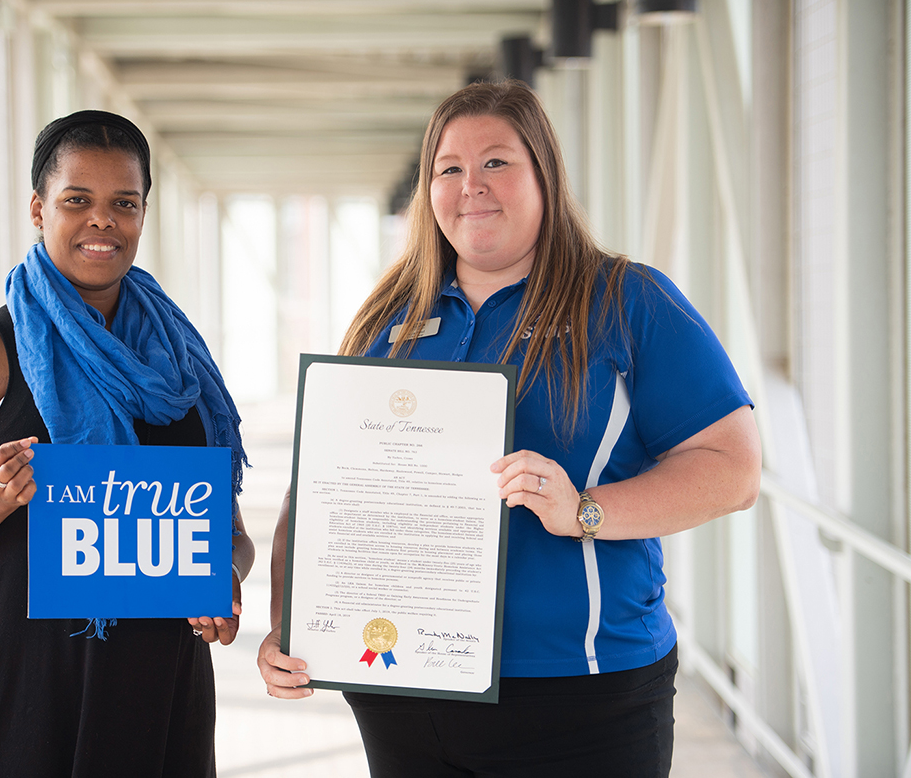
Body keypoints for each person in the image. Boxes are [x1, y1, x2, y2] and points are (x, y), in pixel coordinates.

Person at [257, 80, 760, 777]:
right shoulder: (386, 321)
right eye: (450, 168)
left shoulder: (625, 300)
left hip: (583, 696)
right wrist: (292, 623)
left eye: (496, 162)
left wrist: (585, 509)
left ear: (543, 175)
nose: (473, 186)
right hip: (406, 691)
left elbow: (734, 467)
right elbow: (314, 493)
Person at [0, 110, 254, 778]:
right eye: (77, 200)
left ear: (144, 213)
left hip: (159, 689)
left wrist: (221, 578)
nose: (102, 221)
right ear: (38, 208)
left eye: (124, 203)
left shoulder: (182, 363)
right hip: (23, 693)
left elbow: (232, 535)